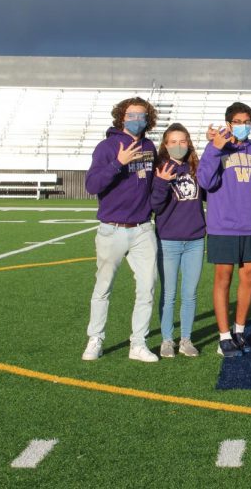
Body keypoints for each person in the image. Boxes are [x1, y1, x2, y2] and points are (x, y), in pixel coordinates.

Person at [82, 97, 159, 363]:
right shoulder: (107, 147)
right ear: (121, 117)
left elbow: (150, 184)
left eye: (142, 115)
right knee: (103, 287)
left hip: (142, 228)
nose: (137, 119)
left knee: (147, 287)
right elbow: (92, 185)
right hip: (112, 229)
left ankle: (138, 343)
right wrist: (118, 162)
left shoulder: (149, 146)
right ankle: (96, 339)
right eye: (131, 114)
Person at [197, 102, 251, 358]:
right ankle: (224, 336)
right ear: (228, 124)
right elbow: (205, 182)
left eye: (247, 121)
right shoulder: (215, 147)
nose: (243, 125)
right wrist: (215, 147)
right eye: (238, 121)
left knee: (249, 276)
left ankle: (239, 330)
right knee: (223, 278)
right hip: (223, 224)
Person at [151, 123, 206, 358]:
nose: (178, 145)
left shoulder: (196, 167)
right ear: (165, 145)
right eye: (172, 141)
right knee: (169, 293)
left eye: (182, 141)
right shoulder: (159, 168)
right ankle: (166, 340)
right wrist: (162, 182)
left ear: (189, 143)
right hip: (168, 240)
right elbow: (155, 205)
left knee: (190, 293)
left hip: (194, 240)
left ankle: (186, 339)